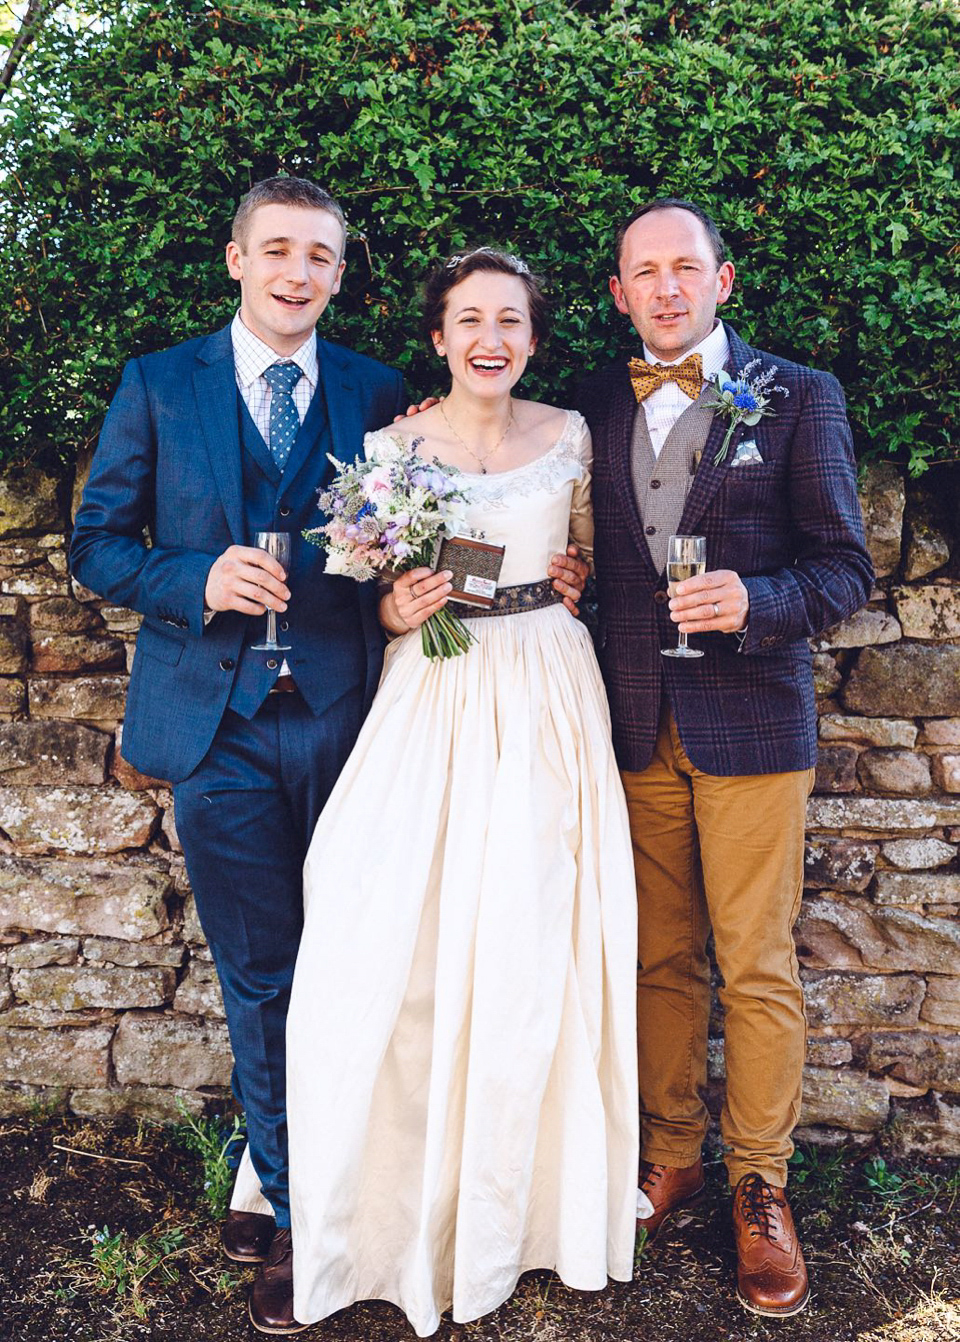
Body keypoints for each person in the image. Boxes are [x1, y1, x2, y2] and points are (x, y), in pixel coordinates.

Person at [69, 183, 588, 1335]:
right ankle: (302, 1211)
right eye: (277, 252)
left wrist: (541, 575)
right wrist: (189, 578)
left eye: (320, 256)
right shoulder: (160, 383)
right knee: (262, 976)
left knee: (370, 964)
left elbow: (451, 520)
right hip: (217, 726)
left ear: (341, 274)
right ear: (236, 258)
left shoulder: (376, 396)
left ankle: (327, 1178)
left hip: (363, 718)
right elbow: (95, 544)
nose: (297, 273)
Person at [281, 248, 640, 1337]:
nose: (492, 337)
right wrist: (398, 610)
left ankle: (531, 1201)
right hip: (432, 691)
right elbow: (365, 596)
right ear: (438, 336)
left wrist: (569, 575)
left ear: (534, 337)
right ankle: (390, 1196)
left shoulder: (572, 437)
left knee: (537, 936)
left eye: (512, 320)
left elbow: (590, 556)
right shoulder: (389, 450)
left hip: (545, 692)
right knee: (389, 920)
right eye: (470, 318)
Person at [578, 199, 873, 1317]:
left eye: (683, 268)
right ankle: (673, 1152)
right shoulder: (594, 404)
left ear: (723, 278)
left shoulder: (801, 396)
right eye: (642, 273)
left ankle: (763, 1185)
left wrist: (758, 598)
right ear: (618, 292)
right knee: (658, 958)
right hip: (633, 721)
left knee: (756, 963)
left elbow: (846, 569)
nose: (664, 288)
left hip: (751, 719)